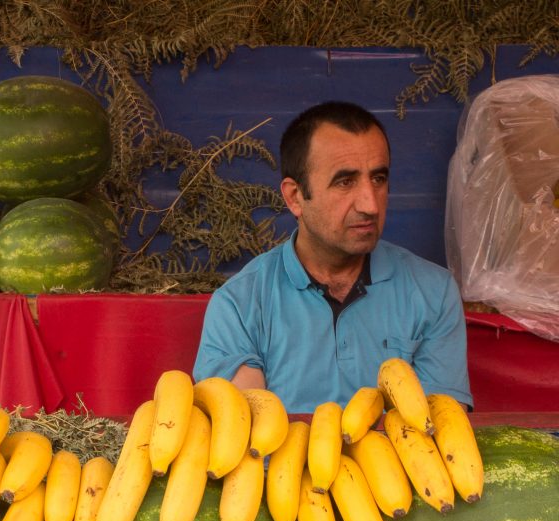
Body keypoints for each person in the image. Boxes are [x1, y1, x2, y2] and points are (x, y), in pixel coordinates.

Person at [193, 101, 472, 413]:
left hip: (399, 461)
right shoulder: (239, 305)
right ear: (295, 197)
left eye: (378, 178)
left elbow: (441, 430)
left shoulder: (434, 292)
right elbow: (246, 431)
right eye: (345, 181)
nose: (370, 204)